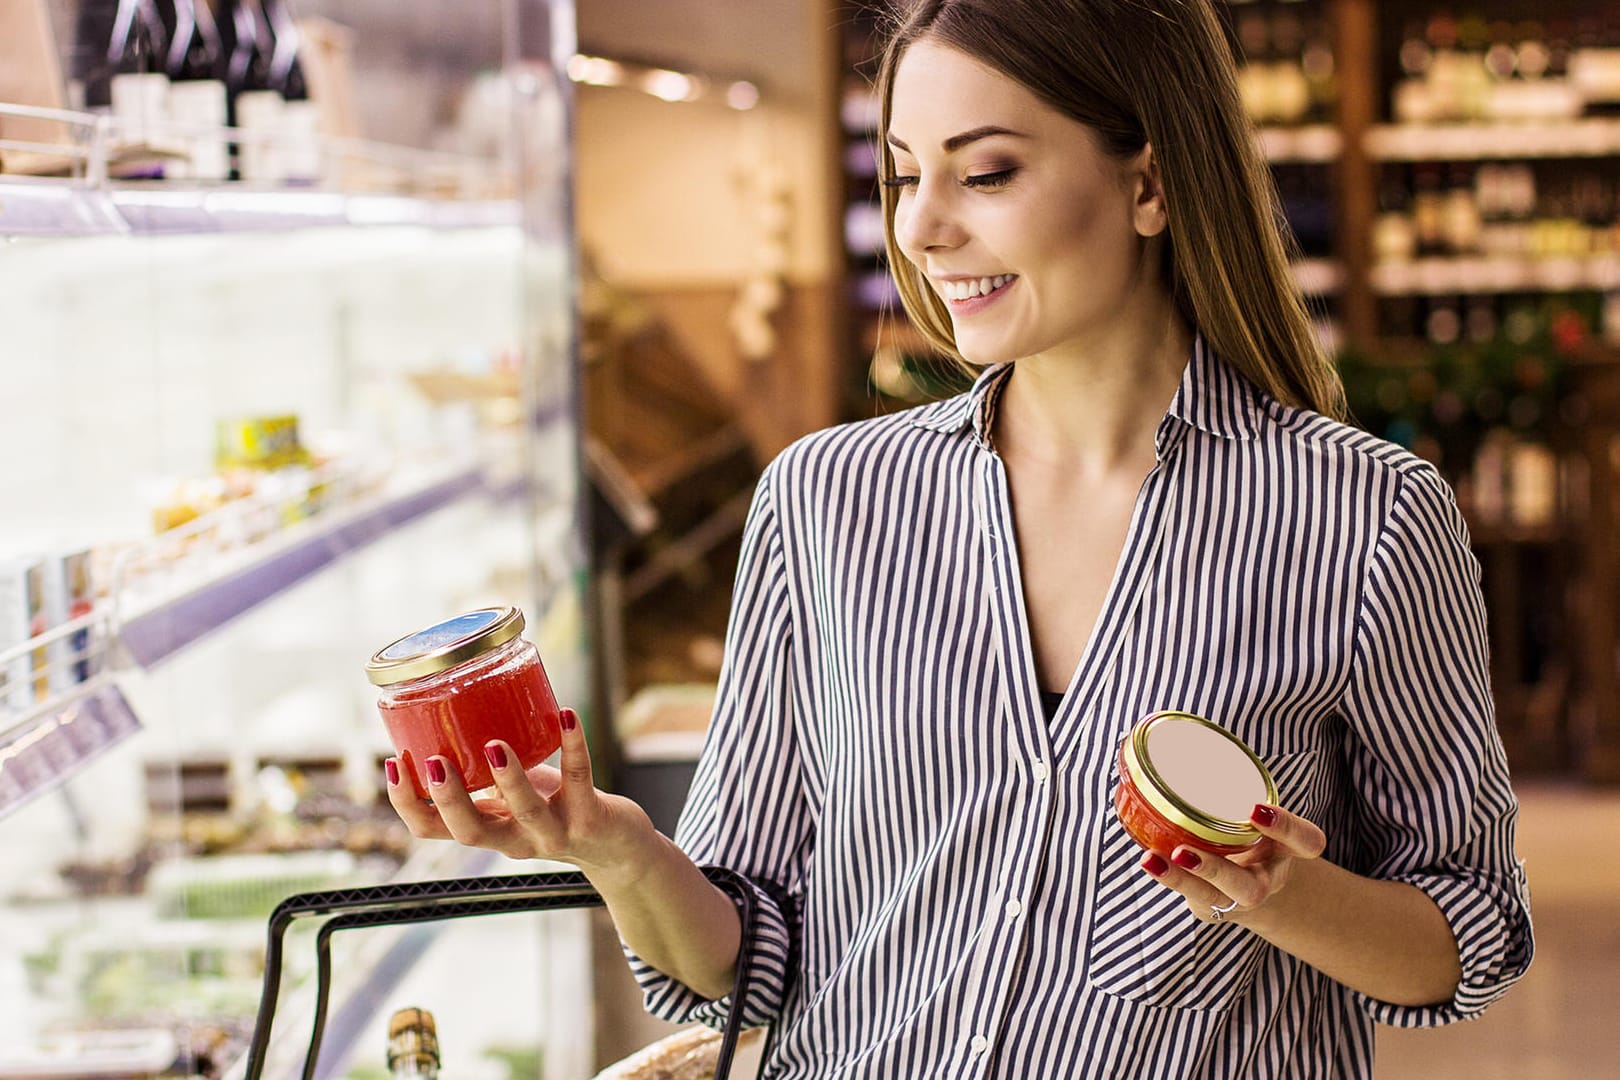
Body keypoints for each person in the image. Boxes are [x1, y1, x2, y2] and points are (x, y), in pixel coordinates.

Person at [386, 0, 1534, 1074]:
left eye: (986, 172)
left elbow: (1468, 933)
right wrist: (620, 850)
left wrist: (1284, 895)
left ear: (1150, 183)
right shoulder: (827, 503)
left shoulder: (1362, 515)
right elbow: (745, 962)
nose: (924, 228)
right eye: (901, 176)